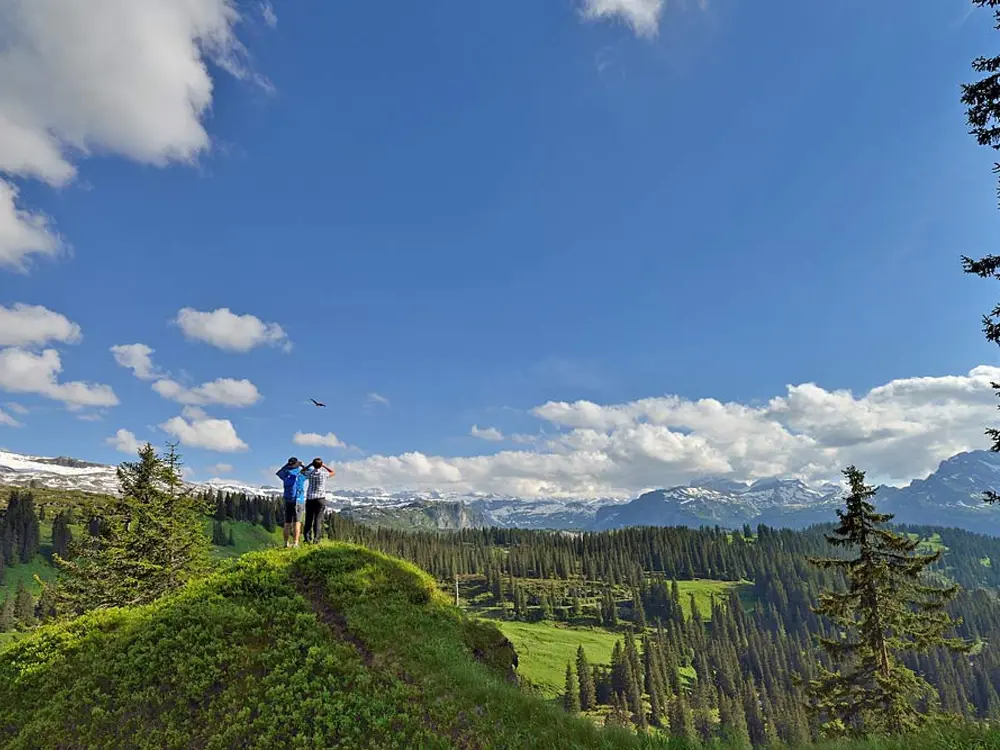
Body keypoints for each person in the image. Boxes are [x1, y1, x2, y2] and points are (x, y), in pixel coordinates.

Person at [276, 457, 308, 548]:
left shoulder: (286, 474)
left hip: (288, 500)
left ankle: (286, 543)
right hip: (298, 500)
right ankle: (296, 543)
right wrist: (302, 465)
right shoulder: (300, 474)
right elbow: (311, 472)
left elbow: (278, 472)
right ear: (296, 464)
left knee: (287, 523)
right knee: (297, 522)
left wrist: (287, 465)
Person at [303, 457, 335, 544]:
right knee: (318, 519)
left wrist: (309, 465)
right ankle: (316, 539)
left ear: (313, 465)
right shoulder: (323, 474)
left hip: (310, 498)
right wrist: (324, 466)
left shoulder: (310, 473)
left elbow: (302, 471)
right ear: (321, 465)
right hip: (320, 499)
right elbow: (332, 472)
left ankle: (307, 538)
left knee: (308, 519)